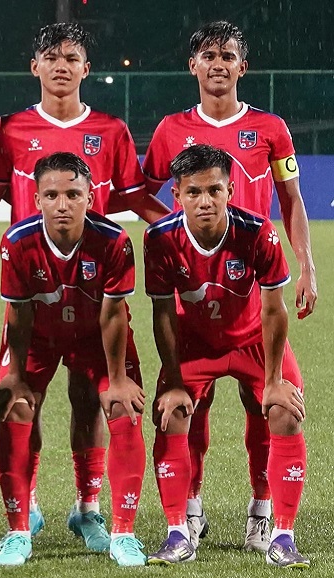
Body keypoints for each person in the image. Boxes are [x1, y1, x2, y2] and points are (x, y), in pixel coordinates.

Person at [0, 22, 169, 551]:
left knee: (90, 400)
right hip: (31, 284)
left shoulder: (111, 130)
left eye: (71, 58)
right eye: (51, 57)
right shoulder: (11, 128)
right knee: (21, 398)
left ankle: (87, 509)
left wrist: (176, 230)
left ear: (85, 69)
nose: (61, 66)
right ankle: (24, 508)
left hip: (95, 286)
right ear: (35, 67)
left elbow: (131, 198)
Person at [141, 21, 318, 552]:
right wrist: (177, 233)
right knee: (187, 408)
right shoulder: (171, 129)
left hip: (252, 285)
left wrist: (306, 264)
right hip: (193, 291)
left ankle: (263, 513)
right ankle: (189, 511)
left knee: (265, 401)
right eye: (208, 55)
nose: (217, 64)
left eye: (227, 56)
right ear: (192, 66)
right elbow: (141, 193)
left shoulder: (270, 128)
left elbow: (291, 200)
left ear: (243, 66)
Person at [144, 144, 309, 568]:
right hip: (195, 344)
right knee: (171, 412)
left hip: (253, 340)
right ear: (176, 194)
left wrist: (274, 381)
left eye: (214, 190)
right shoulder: (159, 238)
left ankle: (278, 532)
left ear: (230, 191)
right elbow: (163, 313)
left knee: (285, 410)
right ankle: (179, 530)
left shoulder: (258, 232)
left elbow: (274, 310)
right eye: (194, 192)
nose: (205, 201)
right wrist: (174, 381)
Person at [0, 152, 147, 567]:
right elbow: (18, 314)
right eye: (52, 195)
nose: (62, 204)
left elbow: (113, 315)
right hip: (37, 337)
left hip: (96, 337)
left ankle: (108, 523)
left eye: (73, 194)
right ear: (36, 199)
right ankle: (19, 527)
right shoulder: (16, 242)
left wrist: (117, 379)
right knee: (16, 406)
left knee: (121, 408)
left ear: (90, 197)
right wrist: (17, 375)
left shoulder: (114, 241)